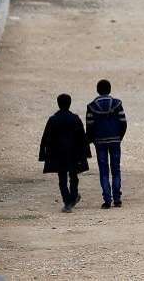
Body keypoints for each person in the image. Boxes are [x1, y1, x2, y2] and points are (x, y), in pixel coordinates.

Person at [39, 94, 91, 213]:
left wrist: (42, 154)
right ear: (70, 103)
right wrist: (86, 153)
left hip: (58, 154)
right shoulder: (75, 119)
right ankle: (72, 198)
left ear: (58, 103)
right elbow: (82, 137)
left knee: (62, 179)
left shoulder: (53, 119)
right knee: (74, 177)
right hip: (73, 153)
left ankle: (68, 201)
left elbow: (45, 137)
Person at [86, 80, 127, 209]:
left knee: (103, 171)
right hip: (115, 140)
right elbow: (123, 122)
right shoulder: (117, 103)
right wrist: (119, 137)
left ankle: (107, 200)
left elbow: (89, 126)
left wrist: (91, 139)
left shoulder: (91, 106)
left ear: (98, 90)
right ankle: (117, 199)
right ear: (109, 89)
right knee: (116, 169)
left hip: (100, 142)